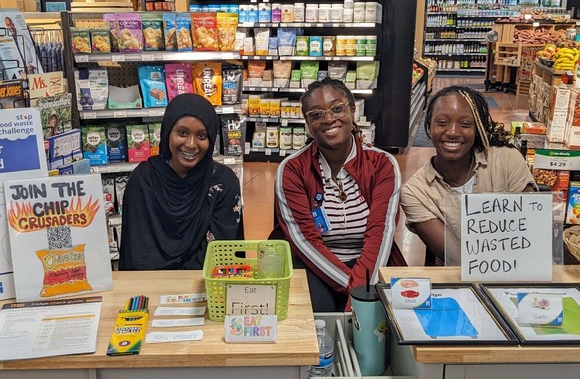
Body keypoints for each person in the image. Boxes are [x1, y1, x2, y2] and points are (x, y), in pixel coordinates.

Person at [274, 78, 406, 312]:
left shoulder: (382, 164)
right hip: (314, 263)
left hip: (371, 260)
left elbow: (381, 233)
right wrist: (354, 289)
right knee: (316, 316)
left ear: (353, 110)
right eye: (316, 115)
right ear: (307, 124)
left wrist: (364, 286)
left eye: (337, 108)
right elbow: (305, 241)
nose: (328, 119)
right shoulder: (292, 169)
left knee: (385, 322)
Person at [400, 86, 537, 265]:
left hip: (523, 275)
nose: (453, 132)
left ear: (478, 128)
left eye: (465, 124)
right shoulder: (416, 191)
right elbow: (459, 259)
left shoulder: (507, 161)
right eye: (442, 122)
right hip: (461, 284)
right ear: (428, 127)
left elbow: (532, 231)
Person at [119, 93, 243, 270]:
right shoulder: (144, 179)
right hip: (150, 283)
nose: (191, 144)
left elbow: (221, 251)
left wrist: (183, 284)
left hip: (205, 283)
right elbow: (138, 249)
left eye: (201, 136)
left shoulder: (223, 183)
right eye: (182, 133)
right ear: (167, 132)